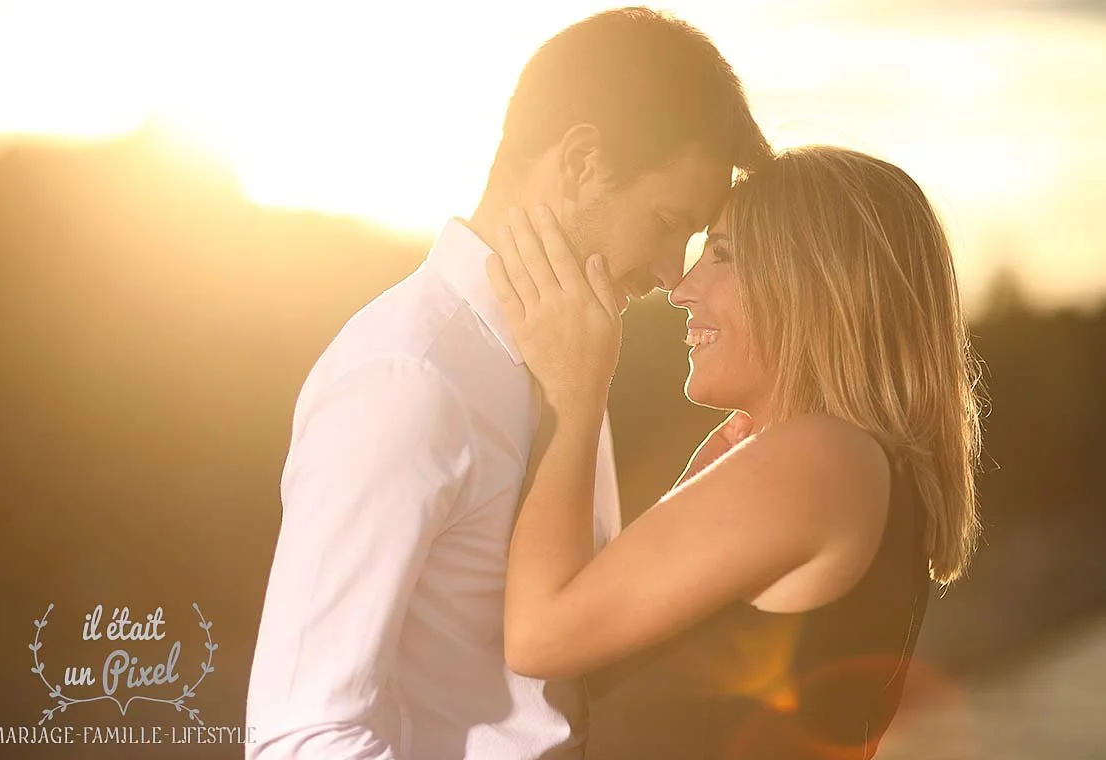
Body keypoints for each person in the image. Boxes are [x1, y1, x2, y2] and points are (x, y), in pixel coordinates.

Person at [244, 8, 769, 759]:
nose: (667, 271)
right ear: (582, 161)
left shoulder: (566, 351)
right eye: (664, 220)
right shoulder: (407, 378)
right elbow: (301, 734)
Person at [486, 146, 983, 759]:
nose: (682, 288)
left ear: (811, 282)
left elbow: (537, 636)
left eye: (722, 254)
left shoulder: (820, 458)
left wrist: (574, 394)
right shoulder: (857, 470)